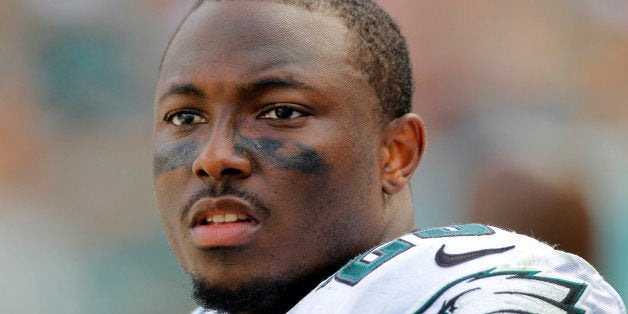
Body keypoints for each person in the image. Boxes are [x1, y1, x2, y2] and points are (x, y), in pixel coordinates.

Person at [152, 0, 625, 313]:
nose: (213, 158)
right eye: (186, 118)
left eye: (280, 111)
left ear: (395, 154)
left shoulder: (480, 294)